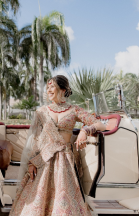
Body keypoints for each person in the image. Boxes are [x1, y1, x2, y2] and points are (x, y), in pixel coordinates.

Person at [10, 75, 106, 216]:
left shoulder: (74, 110)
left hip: (64, 160)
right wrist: (32, 162)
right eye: (47, 87)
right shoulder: (42, 111)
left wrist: (85, 130)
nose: (48, 90)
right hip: (44, 159)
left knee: (62, 202)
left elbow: (100, 125)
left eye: (52, 86)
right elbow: (35, 138)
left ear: (63, 89)